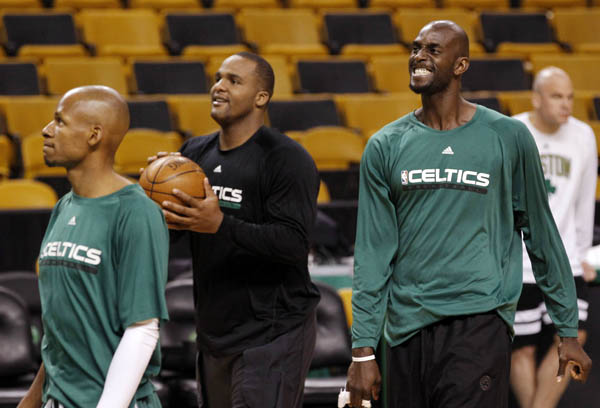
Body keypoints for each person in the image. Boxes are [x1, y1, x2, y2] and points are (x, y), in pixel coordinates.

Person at [345, 21, 592, 408]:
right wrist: (362, 350)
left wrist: (567, 330)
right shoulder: (384, 145)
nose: (419, 57)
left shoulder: (507, 137)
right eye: (415, 48)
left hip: (478, 322)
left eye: (433, 49)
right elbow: (373, 255)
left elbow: (542, 235)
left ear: (460, 66)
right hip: (404, 329)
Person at [155, 52, 321, 407]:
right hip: (215, 332)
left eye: (234, 80)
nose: (219, 86)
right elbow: (174, 231)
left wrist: (219, 224)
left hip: (272, 332)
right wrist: (154, 197)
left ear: (261, 97)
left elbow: (293, 243)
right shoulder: (194, 153)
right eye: (218, 78)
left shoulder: (286, 158)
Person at [18, 86, 169, 408]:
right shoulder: (64, 207)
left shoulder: (136, 212)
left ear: (93, 135)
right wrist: (33, 400)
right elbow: (63, 328)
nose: (46, 130)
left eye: (59, 121)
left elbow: (142, 330)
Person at [510, 67, 597, 408]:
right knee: (523, 347)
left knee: (574, 338)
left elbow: (584, 198)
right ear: (536, 98)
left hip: (567, 260)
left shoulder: (584, 135)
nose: (566, 104)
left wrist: (586, 251)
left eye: (571, 97)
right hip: (520, 262)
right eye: (557, 96)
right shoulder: (514, 131)